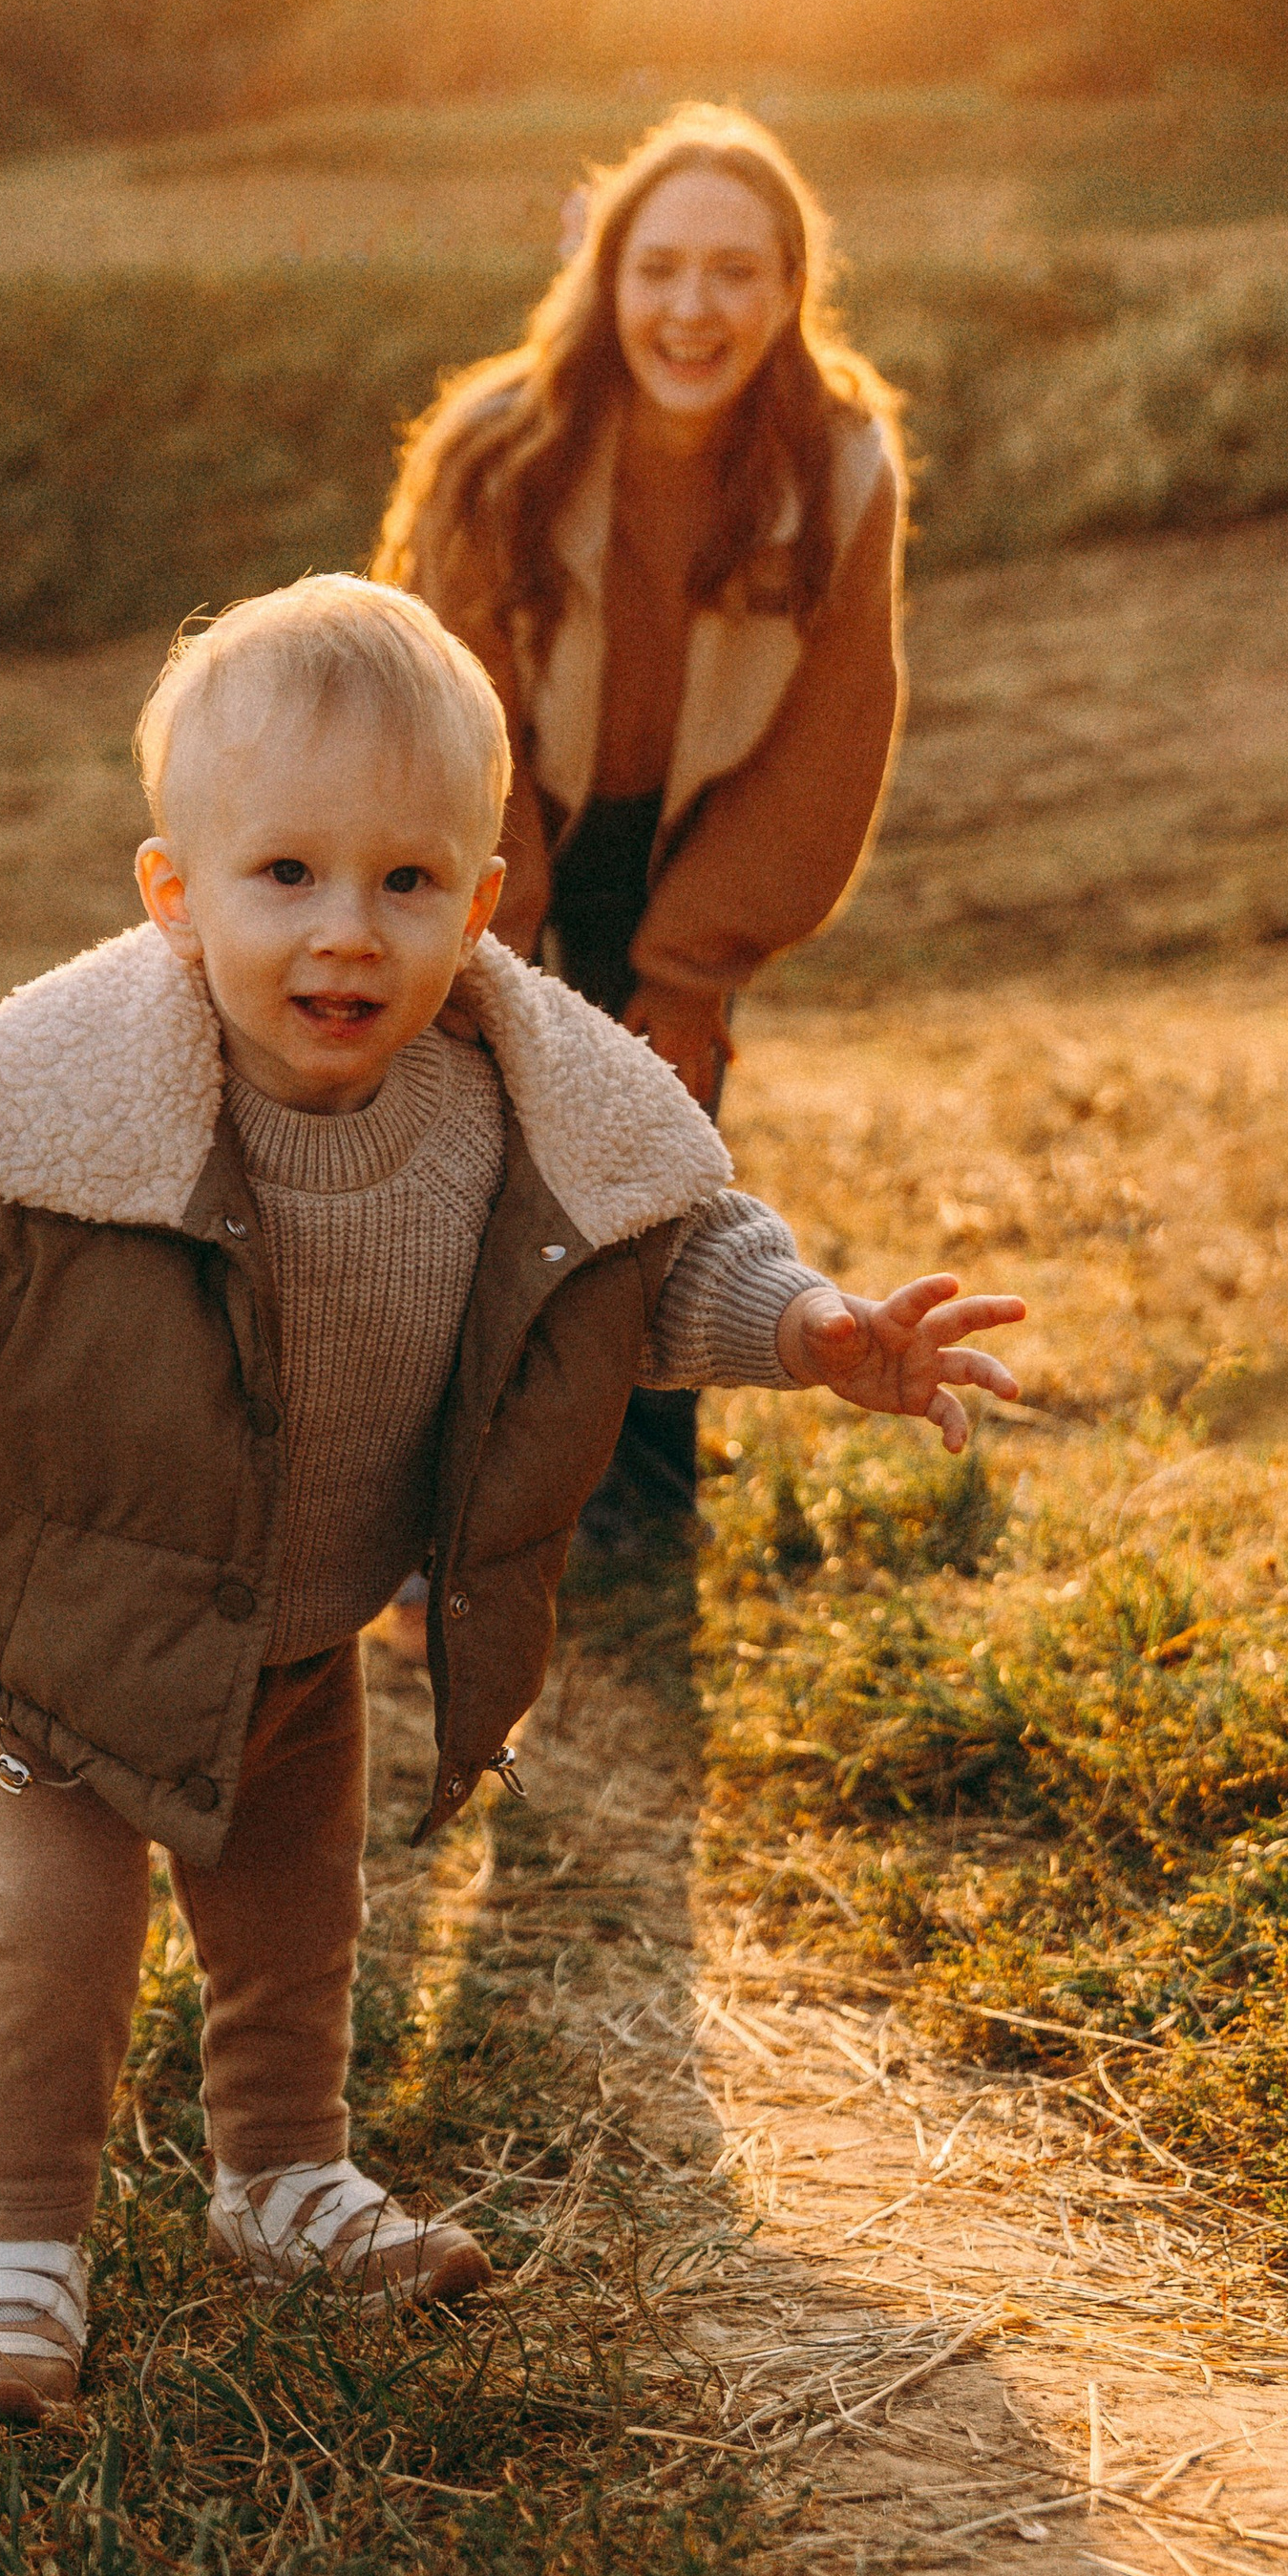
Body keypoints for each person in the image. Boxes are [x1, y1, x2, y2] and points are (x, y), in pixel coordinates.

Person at [0, 577, 1022, 2423]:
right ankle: (11, 2250)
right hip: (71, 1625)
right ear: (175, 895)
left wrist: (815, 1330)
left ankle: (283, 2174)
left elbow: (648, 1264)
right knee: (58, 1942)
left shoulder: (509, 1112)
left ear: (484, 903)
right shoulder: (85, 1105)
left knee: (297, 1922)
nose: (345, 931)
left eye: (405, 881)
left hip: (297, 1630)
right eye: (284, 874)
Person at [375, 103, 905, 1557]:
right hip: (483, 832)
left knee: (656, 1164)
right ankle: (437, 1509)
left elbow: (828, 740)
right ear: (606, 278)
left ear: (790, 288)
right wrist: (490, 939)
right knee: (460, 1164)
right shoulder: (499, 447)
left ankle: (641, 1508)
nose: (692, 309)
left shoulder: (840, 467)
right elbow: (452, 707)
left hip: (688, 849)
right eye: (658, 267)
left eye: (735, 271)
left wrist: (688, 969)